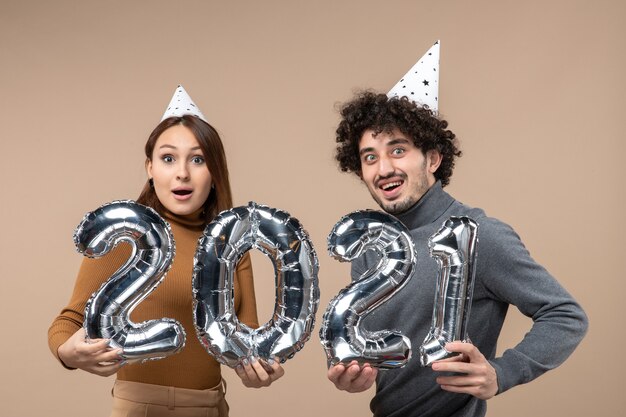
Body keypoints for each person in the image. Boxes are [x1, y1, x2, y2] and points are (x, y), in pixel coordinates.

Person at [326, 90, 588, 417]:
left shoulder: (480, 235)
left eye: (398, 150)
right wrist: (356, 372)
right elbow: (381, 349)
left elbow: (565, 314)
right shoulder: (369, 246)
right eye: (370, 157)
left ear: (432, 159)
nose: (383, 169)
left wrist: (504, 372)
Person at [48, 86, 284, 417]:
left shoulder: (231, 247)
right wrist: (67, 353)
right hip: (142, 408)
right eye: (168, 158)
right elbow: (69, 320)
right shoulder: (128, 237)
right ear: (150, 168)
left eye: (198, 159)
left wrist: (261, 368)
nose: (182, 172)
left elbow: (247, 341)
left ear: (214, 172)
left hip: (213, 407)